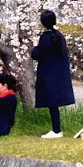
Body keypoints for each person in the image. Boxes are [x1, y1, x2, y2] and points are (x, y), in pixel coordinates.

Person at [29, 10, 75, 139]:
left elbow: (37, 54)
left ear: (43, 22)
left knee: (52, 103)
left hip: (48, 74)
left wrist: (35, 46)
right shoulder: (59, 36)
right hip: (58, 74)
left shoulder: (45, 37)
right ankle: (56, 129)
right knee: (54, 103)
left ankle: (56, 130)